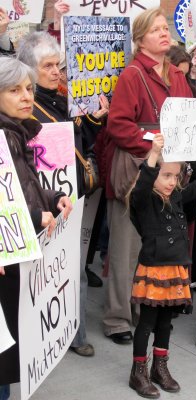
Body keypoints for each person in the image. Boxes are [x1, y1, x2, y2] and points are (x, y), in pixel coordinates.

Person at [100, 7, 193, 345]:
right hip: (138, 168)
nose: (164, 33)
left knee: (154, 247)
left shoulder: (178, 76)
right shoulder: (132, 75)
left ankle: (144, 308)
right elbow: (118, 125)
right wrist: (152, 139)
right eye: (156, 30)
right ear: (140, 40)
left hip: (169, 170)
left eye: (165, 28)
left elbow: (187, 118)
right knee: (126, 246)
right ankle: (117, 319)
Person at [17, 31, 109, 356]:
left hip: (68, 198)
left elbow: (79, 143)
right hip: (39, 205)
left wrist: (93, 122)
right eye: (48, 66)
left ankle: (74, 334)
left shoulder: (62, 99)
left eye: (58, 64)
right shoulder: (24, 109)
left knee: (72, 267)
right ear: (28, 69)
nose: (57, 71)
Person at [0, 56, 72, 400]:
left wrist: (53, 196)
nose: (26, 96)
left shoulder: (15, 131)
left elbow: (22, 186)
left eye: (29, 89)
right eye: (14, 90)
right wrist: (33, 217)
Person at [128, 133, 196, 398]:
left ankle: (160, 368)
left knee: (166, 323)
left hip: (176, 269)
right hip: (154, 270)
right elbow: (142, 187)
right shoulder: (144, 201)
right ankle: (138, 372)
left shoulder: (177, 197)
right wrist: (154, 155)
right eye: (165, 175)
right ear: (155, 173)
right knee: (146, 324)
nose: (171, 182)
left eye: (175, 176)